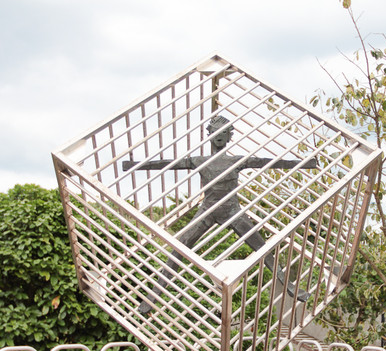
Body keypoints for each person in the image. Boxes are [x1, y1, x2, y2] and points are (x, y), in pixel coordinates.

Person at [123, 115, 316, 314]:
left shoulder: (237, 161)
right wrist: (134, 165)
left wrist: (304, 163)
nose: (219, 136)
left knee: (264, 249)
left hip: (233, 211)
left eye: (223, 132)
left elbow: (271, 162)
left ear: (229, 136)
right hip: (208, 210)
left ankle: (289, 287)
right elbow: (166, 164)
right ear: (209, 134)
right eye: (215, 131)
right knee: (178, 250)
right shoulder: (197, 160)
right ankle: (152, 297)